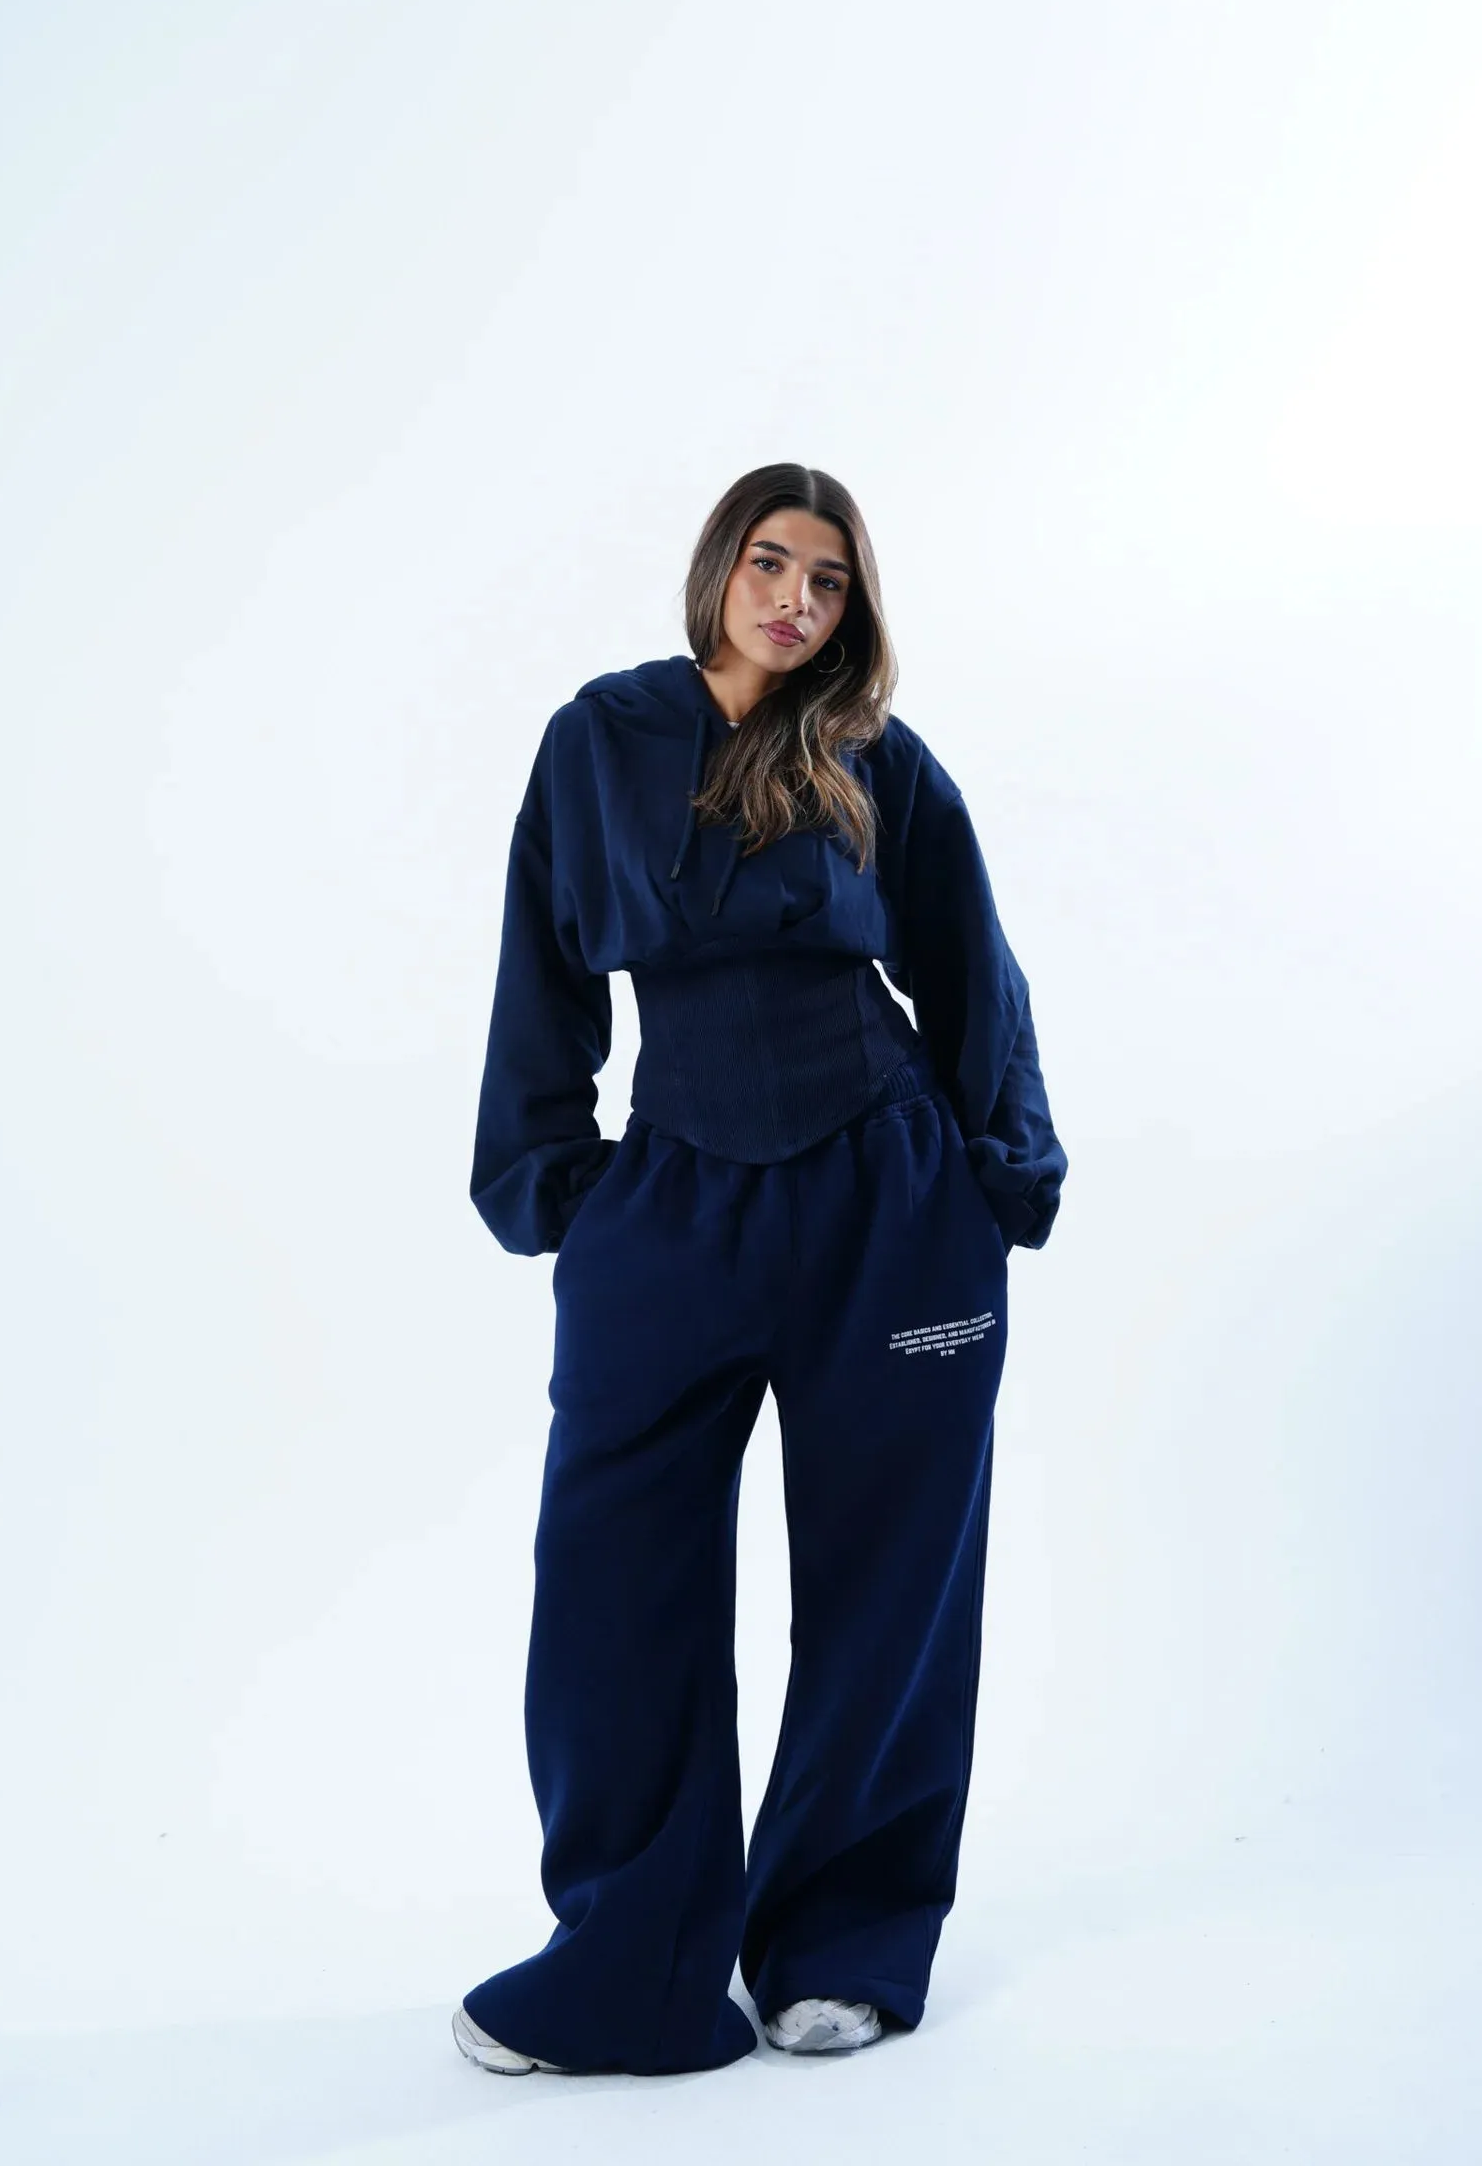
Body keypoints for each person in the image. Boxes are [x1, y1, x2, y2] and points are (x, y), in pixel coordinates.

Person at [452, 462, 1067, 2078]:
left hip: (891, 1210)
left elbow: (972, 967)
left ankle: (843, 1941)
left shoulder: (874, 756)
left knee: (889, 1584)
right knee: (612, 1585)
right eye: (772, 562)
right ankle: (629, 1965)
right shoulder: (600, 738)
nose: (797, 599)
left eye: (830, 580)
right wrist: (556, 1182)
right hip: (670, 1208)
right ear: (719, 565)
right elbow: (538, 964)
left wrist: (1000, 1175)